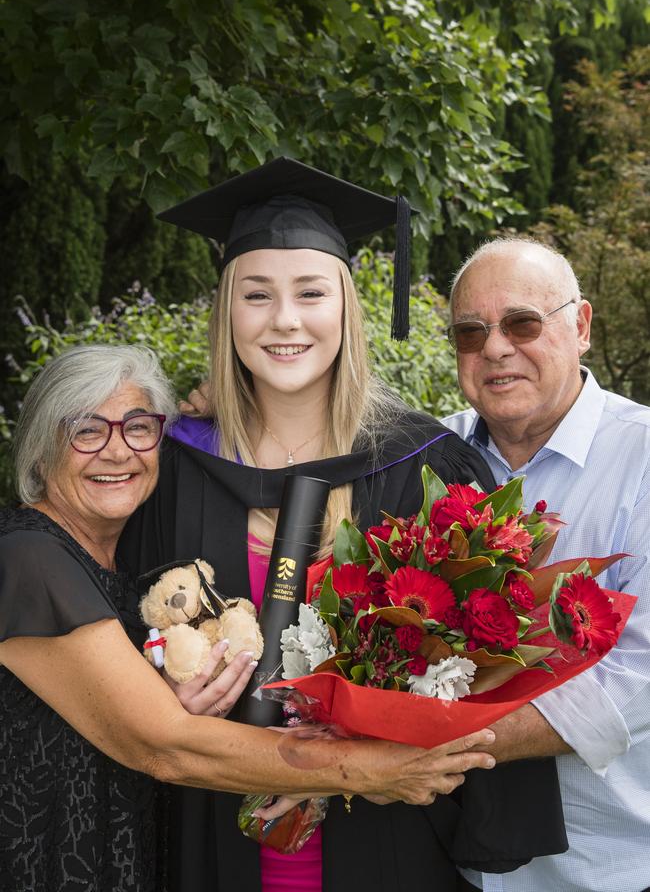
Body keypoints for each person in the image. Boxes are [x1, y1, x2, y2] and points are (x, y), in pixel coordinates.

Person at [119, 158, 567, 892]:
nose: (285, 320)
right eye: (256, 294)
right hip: (206, 835)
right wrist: (158, 692)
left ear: (347, 308)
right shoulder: (170, 468)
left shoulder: (427, 468)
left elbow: (488, 671)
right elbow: (112, 636)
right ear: (227, 311)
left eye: (310, 292)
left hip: (386, 845)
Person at [0, 344, 499, 892]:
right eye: (85, 430)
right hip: (49, 858)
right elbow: (165, 745)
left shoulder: (116, 562)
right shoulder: (28, 557)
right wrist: (372, 768)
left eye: (138, 427)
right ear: (40, 449)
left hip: (117, 848)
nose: (117, 452)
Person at [443, 237, 650, 892]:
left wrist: (429, 739)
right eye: (470, 333)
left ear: (581, 325)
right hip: (450, 863)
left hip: (604, 868)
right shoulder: (426, 456)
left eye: (522, 323)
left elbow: (637, 682)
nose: (496, 348)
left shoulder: (643, 460)